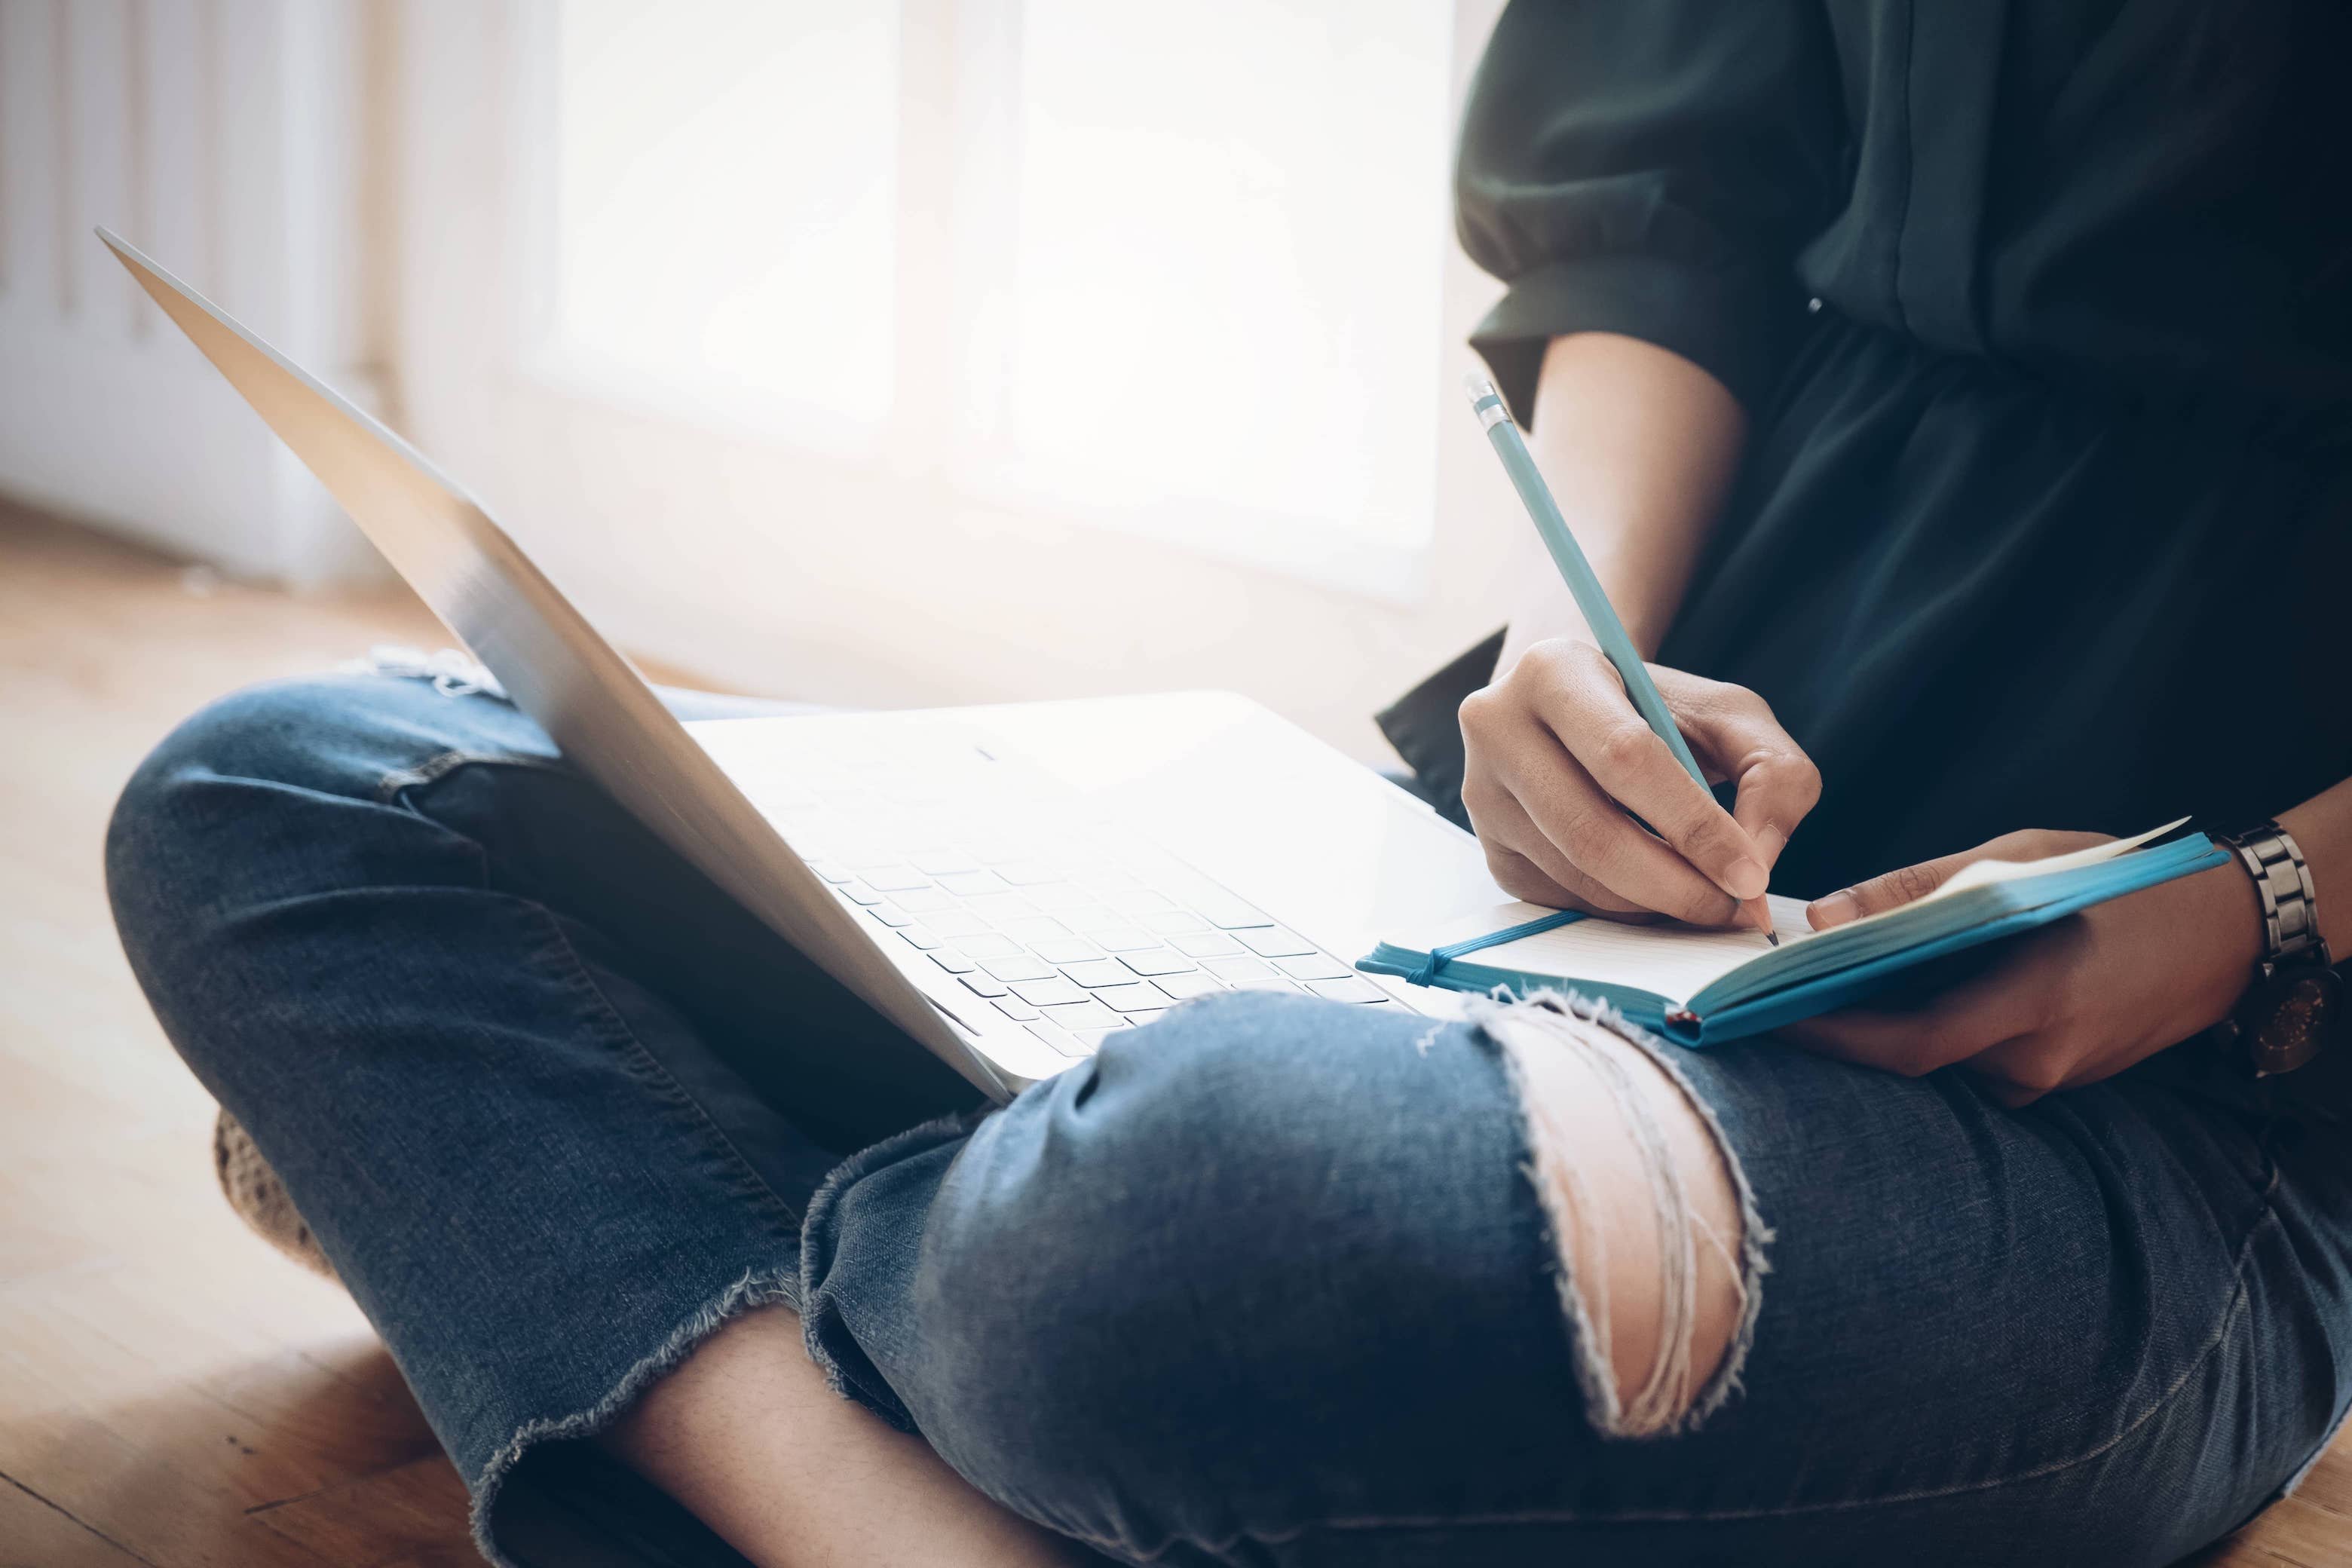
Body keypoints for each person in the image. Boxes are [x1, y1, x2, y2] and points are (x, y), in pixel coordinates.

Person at [106, 4, 2352, 1565]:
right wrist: (1584, 653)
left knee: (1208, 1230)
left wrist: (2245, 901)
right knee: (290, 788)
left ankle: (575, 1220)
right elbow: (1673, 205)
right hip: (1544, 895)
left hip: (2175, 1097)